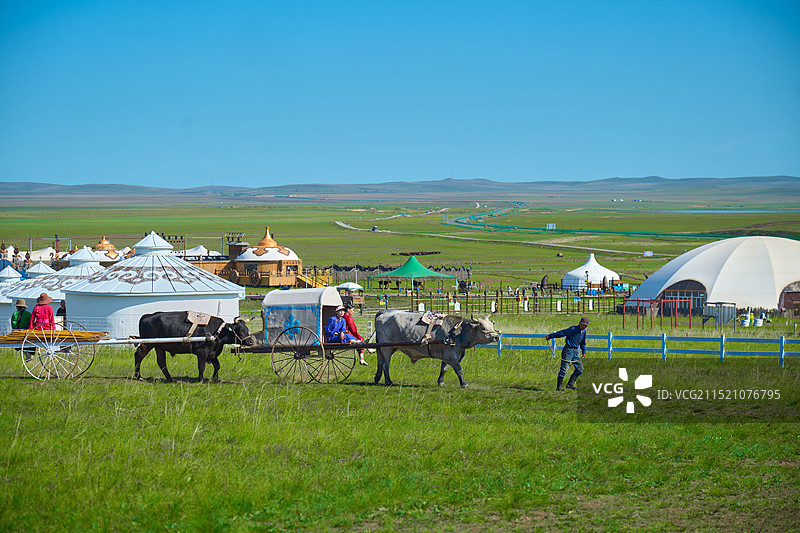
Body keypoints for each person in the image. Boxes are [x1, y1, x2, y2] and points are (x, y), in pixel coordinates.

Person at [546, 317, 589, 391]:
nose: (584, 326)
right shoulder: (572, 329)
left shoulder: (584, 332)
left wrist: (584, 352)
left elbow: (582, 343)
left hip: (576, 352)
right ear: (579, 323)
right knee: (564, 369)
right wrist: (550, 336)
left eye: (585, 325)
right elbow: (561, 333)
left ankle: (570, 384)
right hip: (568, 351)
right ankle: (559, 386)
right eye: (583, 325)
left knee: (580, 369)